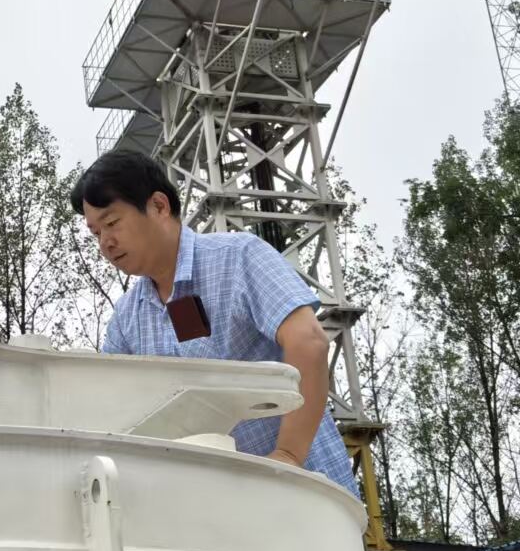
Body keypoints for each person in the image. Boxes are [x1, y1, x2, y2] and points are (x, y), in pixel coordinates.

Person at [71, 149, 359, 495]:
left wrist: (287, 457)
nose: (105, 243)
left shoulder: (239, 258)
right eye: (95, 233)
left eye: (112, 223)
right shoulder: (126, 320)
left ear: (159, 206)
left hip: (304, 493)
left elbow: (308, 342)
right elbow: (112, 411)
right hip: (211, 509)